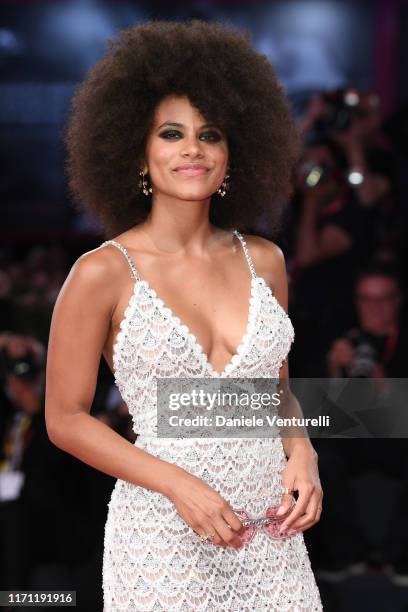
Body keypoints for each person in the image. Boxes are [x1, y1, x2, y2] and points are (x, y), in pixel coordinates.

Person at [45, 20, 323, 611]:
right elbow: (66, 419)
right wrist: (179, 487)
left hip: (270, 533)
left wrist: (302, 451)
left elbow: (273, 396)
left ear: (233, 153)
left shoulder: (266, 262)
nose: (192, 149)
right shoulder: (102, 272)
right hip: (164, 529)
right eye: (171, 133)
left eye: (210, 134)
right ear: (138, 154)